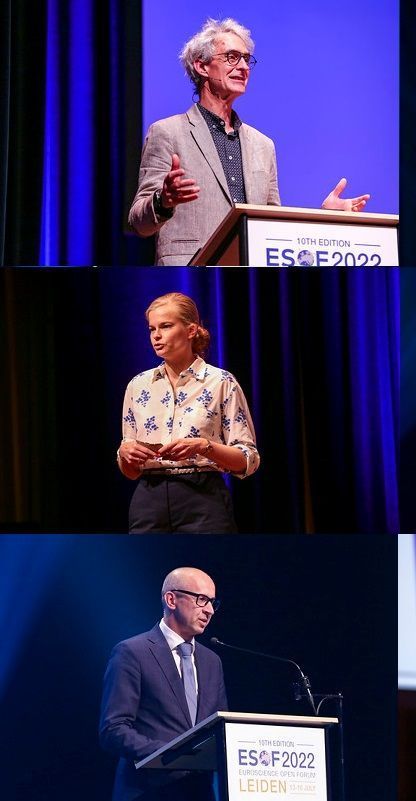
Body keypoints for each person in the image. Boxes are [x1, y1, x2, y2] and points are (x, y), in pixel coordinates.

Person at [128, 18, 371, 265]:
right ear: (202, 66)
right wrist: (163, 201)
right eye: (232, 57)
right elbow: (138, 222)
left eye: (246, 59)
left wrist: (323, 218)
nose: (244, 67)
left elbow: (273, 226)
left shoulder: (263, 145)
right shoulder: (167, 132)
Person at [117, 292, 260, 533]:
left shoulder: (220, 381)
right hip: (149, 498)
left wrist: (204, 446)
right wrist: (125, 454)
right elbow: (130, 472)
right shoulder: (138, 385)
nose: (156, 336)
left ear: (191, 330)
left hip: (203, 496)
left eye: (166, 326)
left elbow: (248, 460)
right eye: (152, 329)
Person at [99, 567, 229, 801]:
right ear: (171, 599)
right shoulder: (132, 652)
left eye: (212, 602)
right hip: (149, 791)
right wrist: (172, 753)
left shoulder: (212, 661)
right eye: (202, 600)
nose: (209, 610)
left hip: (201, 792)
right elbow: (113, 730)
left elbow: (220, 729)